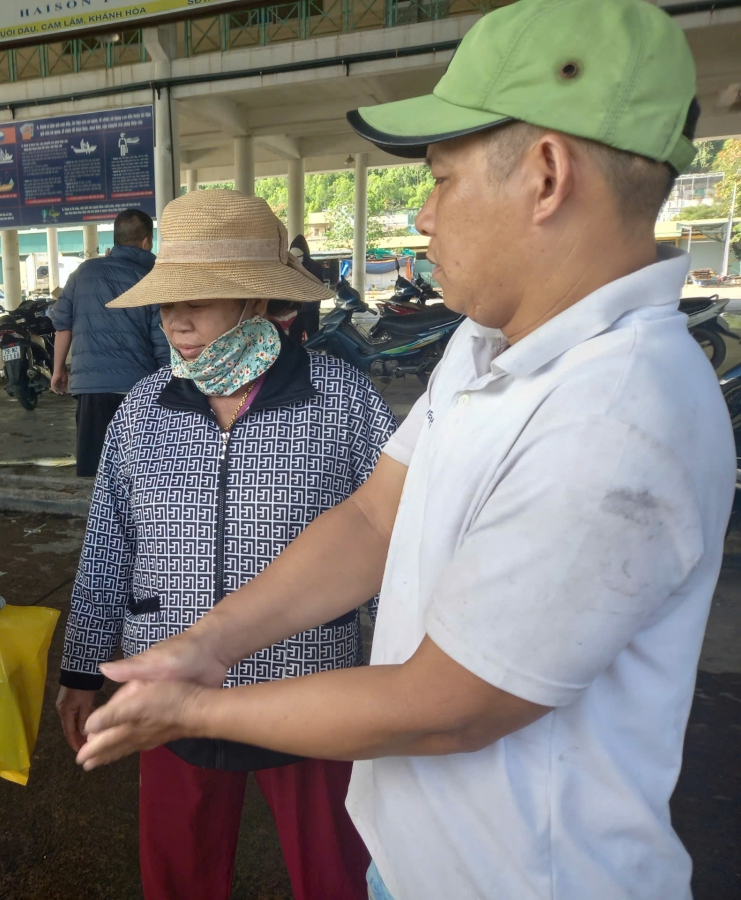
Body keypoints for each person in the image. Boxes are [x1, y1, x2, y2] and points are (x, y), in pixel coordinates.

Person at [73, 3, 734, 899]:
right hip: (418, 849)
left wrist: (196, 707)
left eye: (440, 178)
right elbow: (373, 515)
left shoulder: (616, 416)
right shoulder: (489, 344)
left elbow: (446, 709)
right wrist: (208, 643)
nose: (420, 217)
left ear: (545, 175)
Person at [57, 190, 397, 900]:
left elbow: (395, 537)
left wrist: (398, 678)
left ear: (255, 300)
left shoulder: (342, 400)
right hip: (173, 683)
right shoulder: (142, 412)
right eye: (167, 301)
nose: (177, 320)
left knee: (332, 873)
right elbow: (108, 549)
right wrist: (84, 669)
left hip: (309, 683)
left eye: (202, 299)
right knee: (179, 872)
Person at [49, 208, 168, 477]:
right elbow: (161, 340)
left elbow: (62, 323)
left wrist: (59, 370)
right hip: (136, 391)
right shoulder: (150, 278)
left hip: (91, 389)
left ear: (114, 239)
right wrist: (167, 385)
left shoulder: (82, 273)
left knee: (95, 470)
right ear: (146, 242)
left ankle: (99, 517)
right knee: (136, 470)